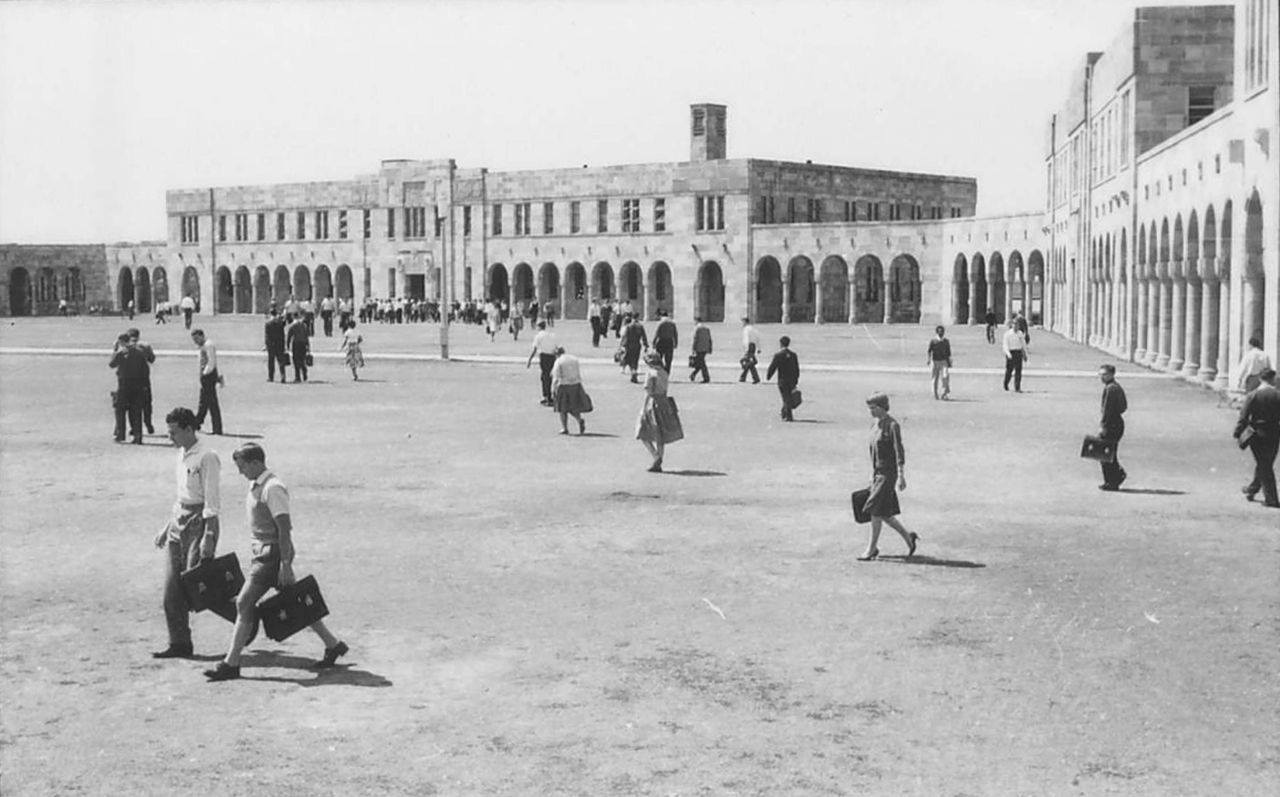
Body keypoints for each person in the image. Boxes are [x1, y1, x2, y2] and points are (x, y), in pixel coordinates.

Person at [204, 443, 348, 681]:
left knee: (243, 603)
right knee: (296, 601)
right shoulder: (259, 486)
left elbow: (284, 529)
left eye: (242, 467)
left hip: (270, 558)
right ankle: (333, 644)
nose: (240, 472)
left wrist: (285, 564)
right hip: (265, 555)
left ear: (255, 463)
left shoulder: (273, 488)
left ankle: (231, 663)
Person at [151, 407, 221, 659]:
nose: (170, 438)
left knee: (196, 588)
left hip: (199, 522)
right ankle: (179, 643)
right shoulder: (180, 454)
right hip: (178, 521)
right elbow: (181, 495)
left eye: (174, 432)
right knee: (172, 588)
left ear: (189, 429)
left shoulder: (207, 456)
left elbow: (212, 501)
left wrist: (209, 536)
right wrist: (167, 526)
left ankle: (244, 615)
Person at [856, 393, 919, 561]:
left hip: (888, 474)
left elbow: (899, 450)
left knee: (875, 510)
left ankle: (871, 549)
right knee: (884, 513)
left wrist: (901, 475)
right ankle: (908, 538)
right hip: (877, 473)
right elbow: (873, 451)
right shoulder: (874, 425)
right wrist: (872, 473)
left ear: (883, 407)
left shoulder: (892, 425)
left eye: (873, 408)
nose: (871, 412)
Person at [1234, 368, 1280, 508]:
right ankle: (1252, 489)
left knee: (1263, 463)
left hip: (1257, 433)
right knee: (1265, 463)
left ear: (1260, 379)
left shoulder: (1253, 395)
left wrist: (1238, 432)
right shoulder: (1278, 395)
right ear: (1273, 379)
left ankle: (1271, 499)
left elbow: (1244, 416)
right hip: (1274, 433)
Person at [635, 350, 683, 472]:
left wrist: (643, 408)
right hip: (664, 403)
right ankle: (659, 459)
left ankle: (655, 456)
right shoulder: (664, 372)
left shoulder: (650, 373)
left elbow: (648, 392)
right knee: (661, 435)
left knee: (642, 432)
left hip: (653, 403)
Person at [110, 332, 150, 444]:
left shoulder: (121, 353)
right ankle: (138, 436)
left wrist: (114, 350)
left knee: (120, 411)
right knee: (136, 412)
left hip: (123, 385)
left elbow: (111, 364)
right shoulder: (139, 352)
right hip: (138, 385)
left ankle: (120, 434)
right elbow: (145, 370)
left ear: (121, 342)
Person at [1096, 364, 1128, 491]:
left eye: (1104, 375)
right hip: (1117, 423)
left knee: (1105, 453)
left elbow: (1107, 411)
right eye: (1101, 375)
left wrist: (1103, 426)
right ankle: (1112, 479)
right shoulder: (1116, 387)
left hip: (1111, 424)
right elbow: (1123, 407)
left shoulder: (1111, 389)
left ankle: (1114, 479)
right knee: (1109, 453)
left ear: (1111, 374)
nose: (1102, 377)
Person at [550, 346, 592, 435]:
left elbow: (556, 377)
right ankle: (579, 420)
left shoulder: (558, 361)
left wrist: (553, 389)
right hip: (576, 384)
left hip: (564, 385)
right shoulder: (574, 359)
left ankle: (565, 428)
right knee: (574, 406)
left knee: (562, 409)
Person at [191, 329, 223, 435]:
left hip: (208, 377)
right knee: (203, 402)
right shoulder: (203, 346)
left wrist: (205, 373)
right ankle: (196, 423)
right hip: (205, 376)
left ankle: (217, 428)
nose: (195, 341)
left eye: (196, 338)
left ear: (201, 336)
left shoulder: (208, 345)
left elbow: (211, 361)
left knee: (212, 403)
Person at [127, 328, 157, 434]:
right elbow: (152, 359)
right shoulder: (145, 346)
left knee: (132, 405)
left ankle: (133, 427)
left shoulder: (125, 347)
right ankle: (148, 423)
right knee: (147, 403)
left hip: (129, 379)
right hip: (143, 378)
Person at [766, 336, 801, 421]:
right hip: (791, 380)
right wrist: (796, 380)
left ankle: (788, 416)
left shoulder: (778, 355)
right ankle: (784, 413)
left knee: (786, 397)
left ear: (780, 344)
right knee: (787, 397)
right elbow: (796, 368)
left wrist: (768, 376)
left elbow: (773, 367)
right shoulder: (793, 355)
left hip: (782, 380)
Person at [525, 320, 559, 406]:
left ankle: (547, 397)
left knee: (545, 377)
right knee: (550, 376)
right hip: (552, 357)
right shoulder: (551, 335)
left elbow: (534, 349)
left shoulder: (538, 336)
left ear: (539, 327)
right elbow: (556, 347)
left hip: (544, 357)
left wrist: (529, 360)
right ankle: (549, 396)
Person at [620, 315, 649, 383]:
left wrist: (623, 345)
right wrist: (646, 345)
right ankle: (634, 372)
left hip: (629, 345)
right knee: (635, 360)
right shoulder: (640, 326)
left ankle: (633, 372)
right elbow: (644, 337)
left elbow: (625, 337)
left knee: (630, 360)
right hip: (637, 345)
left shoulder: (628, 326)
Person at [1001, 319, 1028, 392]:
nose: (1016, 326)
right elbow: (1005, 345)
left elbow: (1023, 344)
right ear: (1012, 325)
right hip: (1011, 352)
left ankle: (1017, 387)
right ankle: (1006, 383)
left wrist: (1025, 354)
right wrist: (1008, 354)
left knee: (1018, 371)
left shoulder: (1020, 334)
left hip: (1018, 353)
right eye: (1014, 324)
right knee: (1009, 371)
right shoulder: (1008, 334)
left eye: (1017, 325)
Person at [927, 325, 952, 400]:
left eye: (942, 331)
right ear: (937, 332)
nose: (941, 333)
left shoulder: (946, 341)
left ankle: (945, 393)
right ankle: (935, 393)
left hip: (944, 361)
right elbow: (929, 351)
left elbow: (948, 352)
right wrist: (929, 359)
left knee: (945, 376)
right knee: (935, 378)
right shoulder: (933, 341)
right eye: (940, 331)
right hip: (935, 361)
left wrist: (949, 361)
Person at [264, 310, 288, 383]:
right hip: (280, 344)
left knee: (271, 362)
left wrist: (266, 345)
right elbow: (283, 333)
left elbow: (267, 336)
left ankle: (271, 377)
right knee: (281, 361)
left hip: (271, 345)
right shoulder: (280, 323)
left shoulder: (268, 323)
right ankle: (283, 376)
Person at [286, 313, 311, 383]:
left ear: (293, 317)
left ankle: (298, 377)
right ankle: (305, 374)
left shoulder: (292, 325)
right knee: (302, 359)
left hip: (296, 344)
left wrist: (287, 346)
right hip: (303, 344)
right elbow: (307, 337)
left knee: (296, 361)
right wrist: (308, 346)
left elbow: (289, 336)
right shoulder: (304, 325)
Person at [690, 317, 712, 383]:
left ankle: (706, 378)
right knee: (701, 362)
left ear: (696, 321)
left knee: (702, 363)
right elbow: (710, 339)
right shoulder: (707, 328)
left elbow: (695, 339)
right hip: (705, 348)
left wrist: (693, 348)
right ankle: (693, 374)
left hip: (699, 348)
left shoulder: (697, 328)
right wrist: (710, 348)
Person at [739, 317, 761, 384]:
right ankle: (743, 377)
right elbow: (757, 338)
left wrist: (746, 349)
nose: (742, 324)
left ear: (745, 322)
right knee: (749, 363)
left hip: (749, 346)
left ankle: (754, 378)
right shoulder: (753, 329)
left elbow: (747, 339)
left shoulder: (746, 329)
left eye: (742, 322)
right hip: (753, 346)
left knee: (744, 361)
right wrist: (759, 348)